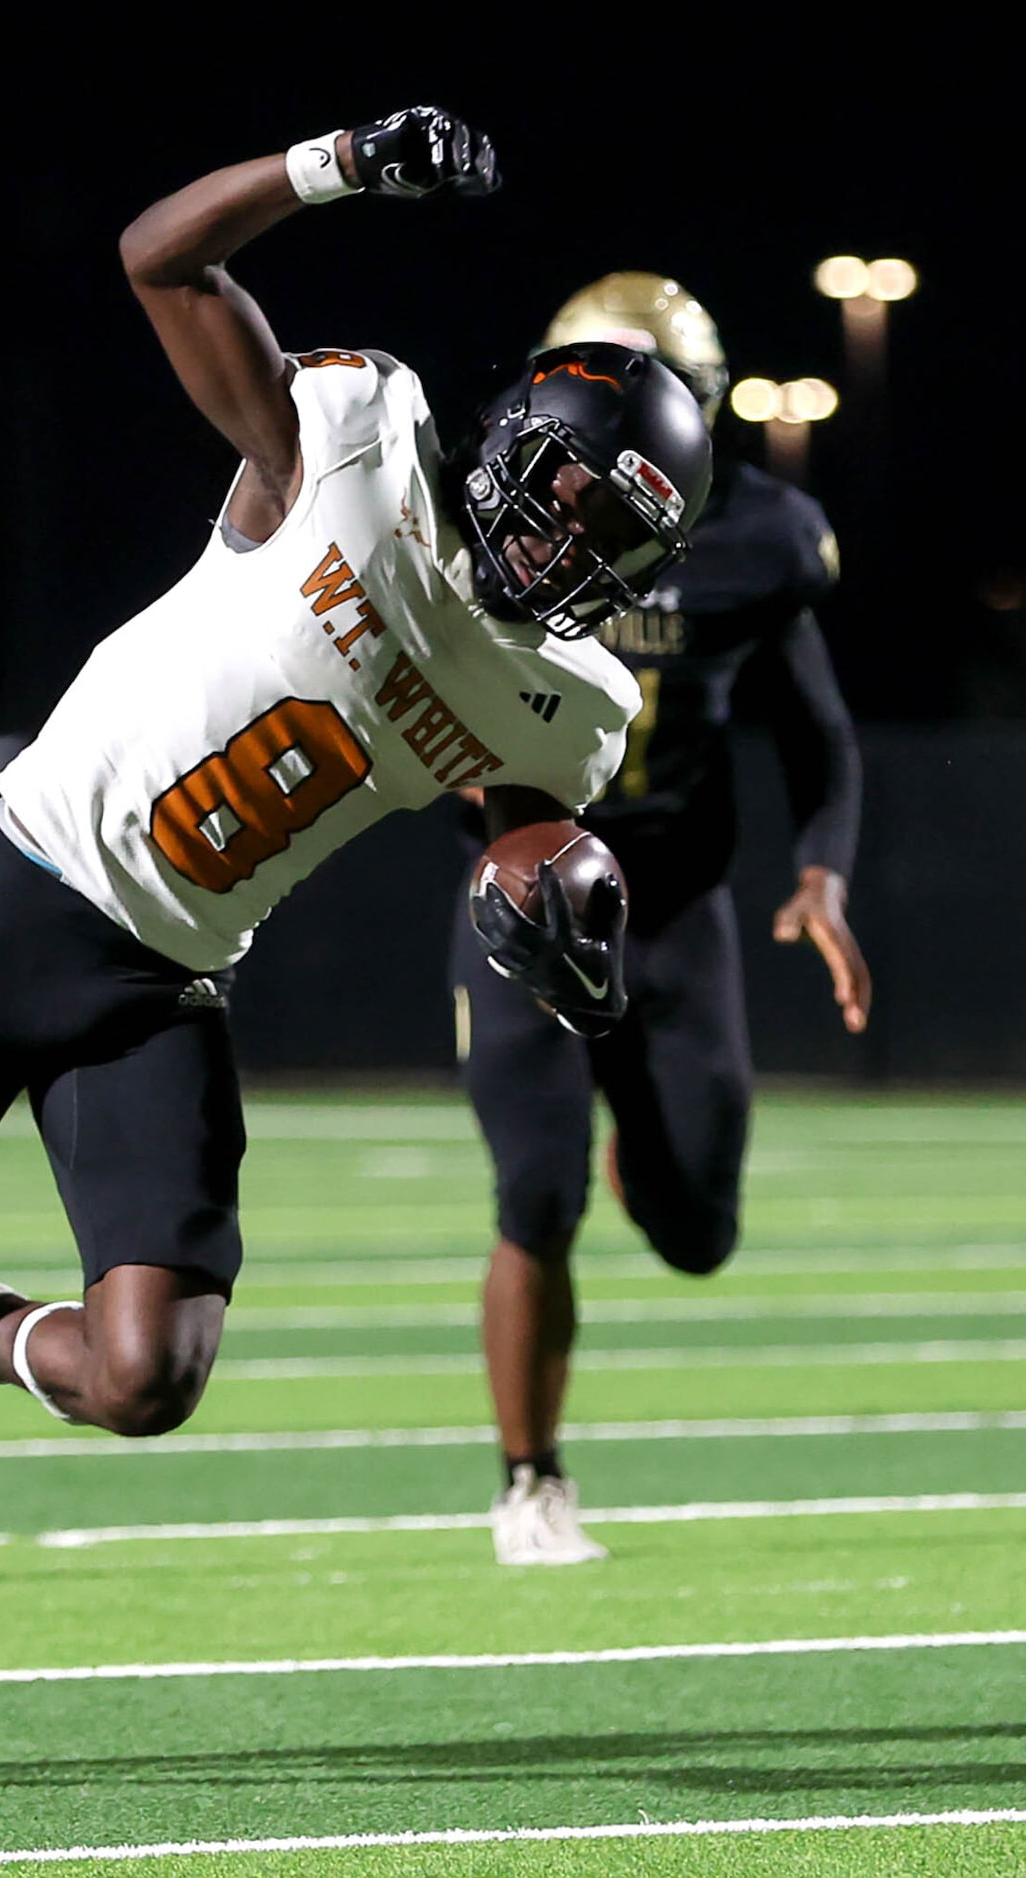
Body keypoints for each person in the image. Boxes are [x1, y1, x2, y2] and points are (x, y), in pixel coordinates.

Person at [0, 108, 716, 1795]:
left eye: (598, 541)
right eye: (556, 499)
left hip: (162, 975)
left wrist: (561, 913)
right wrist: (334, 166)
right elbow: (154, 254)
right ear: (510, 438)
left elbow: (505, 822)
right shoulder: (348, 441)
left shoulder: (571, 703)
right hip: (11, 890)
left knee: (147, 1377)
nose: (557, 550)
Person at [458, 275, 868, 1565]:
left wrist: (824, 874)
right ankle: (530, 1480)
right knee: (535, 1193)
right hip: (525, 895)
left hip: (676, 906)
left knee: (698, 1233)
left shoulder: (759, 537)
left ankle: (647, 1143)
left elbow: (819, 732)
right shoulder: (492, 523)